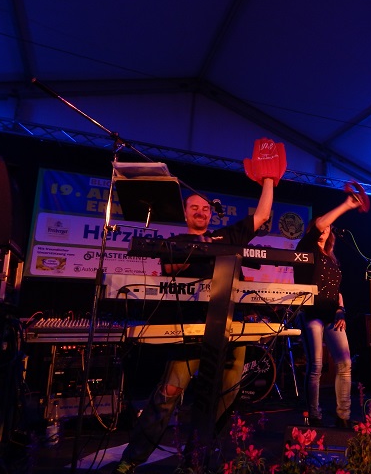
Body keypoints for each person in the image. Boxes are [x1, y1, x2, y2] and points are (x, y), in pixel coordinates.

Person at [112, 138, 286, 474]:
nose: (201, 212)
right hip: (192, 330)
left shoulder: (226, 237)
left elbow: (263, 215)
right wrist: (199, 251)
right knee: (169, 392)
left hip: (231, 331)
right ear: (185, 213)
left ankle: (196, 458)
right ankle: (131, 459)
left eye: (206, 208)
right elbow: (170, 267)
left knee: (226, 395)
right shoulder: (176, 242)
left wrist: (268, 178)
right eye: (194, 207)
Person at [292, 184, 369, 428]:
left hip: (331, 314)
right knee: (315, 366)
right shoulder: (305, 248)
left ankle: (343, 416)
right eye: (322, 226)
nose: (325, 230)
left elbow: (337, 292)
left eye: (328, 228)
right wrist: (347, 205)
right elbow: (320, 224)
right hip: (311, 313)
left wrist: (340, 311)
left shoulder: (332, 259)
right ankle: (312, 415)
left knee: (345, 364)